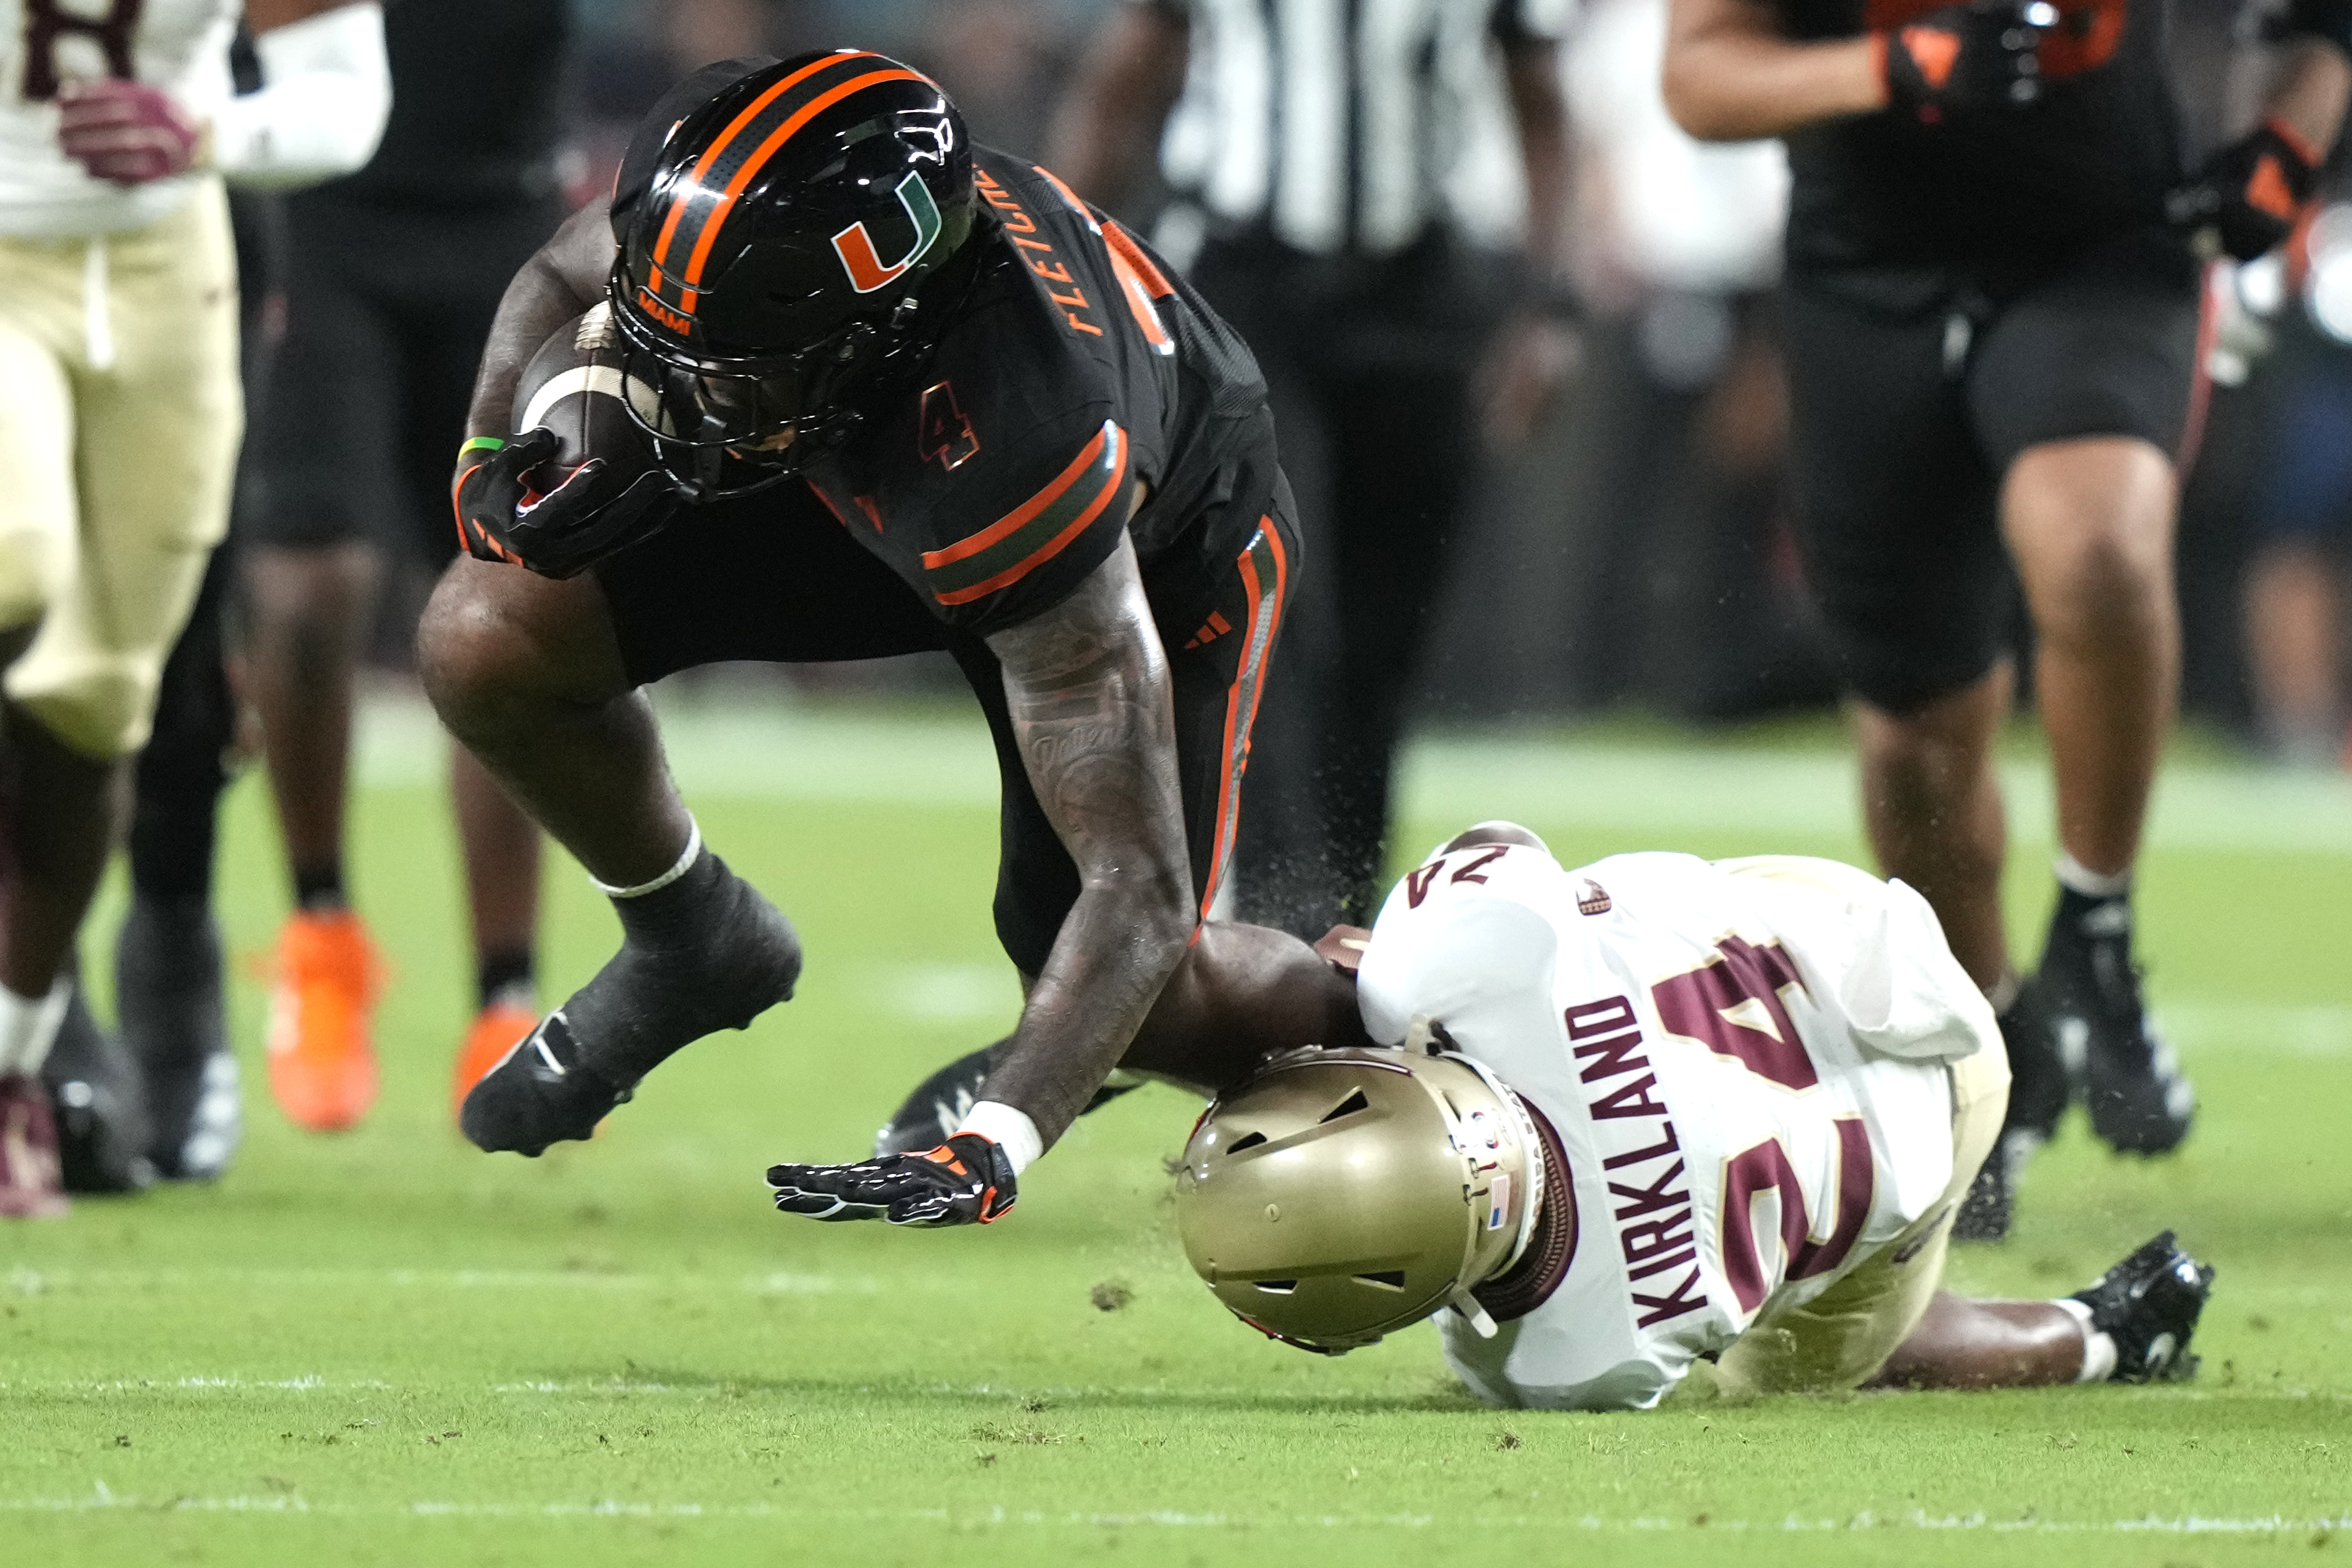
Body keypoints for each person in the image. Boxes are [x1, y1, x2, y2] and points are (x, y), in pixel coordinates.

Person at [425, 51, 1296, 1226]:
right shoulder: (735, 225)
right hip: (867, 464)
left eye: (731, 373)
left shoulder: (1023, 435)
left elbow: (1134, 890)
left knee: (1148, 989)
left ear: (869, 335)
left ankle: (1422, 1018)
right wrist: (488, 453)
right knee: (488, 631)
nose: (686, 397)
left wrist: (997, 1139)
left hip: (1146, 545)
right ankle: (694, 936)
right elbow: (552, 272)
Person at [1657, 0, 2352, 1237]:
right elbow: (1699, 80)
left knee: (2089, 547)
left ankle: (2095, 924)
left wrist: (2284, 150)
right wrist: (1895, 64)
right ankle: (1987, 1048)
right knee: (1913, 755)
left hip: (2096, 250)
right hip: (1863, 275)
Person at [1162, 823, 2214, 1407]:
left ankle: (2094, 1337)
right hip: (1852, 936)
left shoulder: (1576, 1360)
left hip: (1925, 1152)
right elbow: (1460, 888)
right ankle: (2100, 1335)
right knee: (1639, 916)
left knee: (1789, 1358)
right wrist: (1382, 974)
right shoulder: (1464, 962)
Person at [1043, 0, 1577, 940]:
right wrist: (1051, 286)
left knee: (1386, 630)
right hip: (1246, 289)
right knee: (1276, 600)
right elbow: (1122, 84)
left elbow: (1542, 105)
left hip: (1418, 286)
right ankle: (1287, 904)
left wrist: (1551, 306)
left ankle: (1349, 906)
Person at [0, 0, 390, 1218]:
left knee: (98, 701)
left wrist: (203, 126)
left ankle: (15, 1066)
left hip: (171, 270)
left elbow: (342, 92)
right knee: (16, 556)